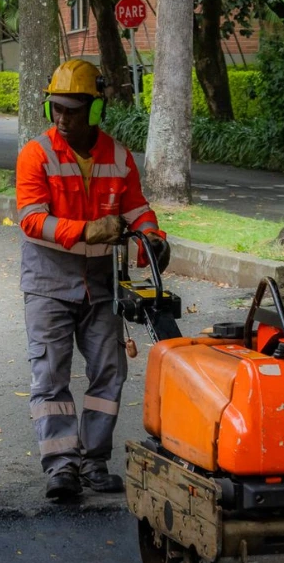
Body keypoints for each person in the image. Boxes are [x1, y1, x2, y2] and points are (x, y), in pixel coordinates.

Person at [15, 59, 170, 501]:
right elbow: (31, 219)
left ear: (94, 111)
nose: (63, 119)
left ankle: (94, 462)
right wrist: (84, 230)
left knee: (109, 371)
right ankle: (61, 467)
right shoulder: (35, 155)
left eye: (73, 111)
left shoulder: (118, 157)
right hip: (48, 280)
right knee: (50, 373)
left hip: (100, 281)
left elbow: (138, 210)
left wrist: (152, 240)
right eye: (56, 109)